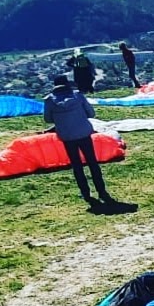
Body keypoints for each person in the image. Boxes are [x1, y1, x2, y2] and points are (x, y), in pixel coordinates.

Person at [44, 74, 115, 209]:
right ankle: (102, 191)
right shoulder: (78, 96)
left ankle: (85, 193)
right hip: (83, 133)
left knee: (76, 165)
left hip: (67, 136)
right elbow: (91, 114)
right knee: (92, 163)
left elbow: (48, 119)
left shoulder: (49, 100)